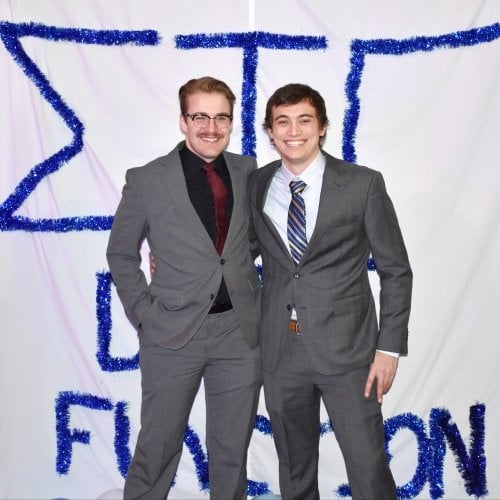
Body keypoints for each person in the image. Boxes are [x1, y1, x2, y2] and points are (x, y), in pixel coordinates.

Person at [247, 83, 412, 500]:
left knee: (368, 469)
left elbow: (396, 271)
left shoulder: (362, 185)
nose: (293, 131)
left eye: (305, 120)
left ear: (322, 127)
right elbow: (240, 252)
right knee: (295, 472)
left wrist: (388, 349)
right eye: (282, 122)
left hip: (350, 354)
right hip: (281, 353)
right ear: (270, 131)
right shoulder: (257, 184)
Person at [107, 76, 262, 499]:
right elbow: (121, 254)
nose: (211, 127)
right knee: (157, 448)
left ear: (231, 122)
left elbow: (250, 242)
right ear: (182, 120)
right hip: (172, 335)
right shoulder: (146, 179)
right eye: (200, 116)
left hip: (239, 334)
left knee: (232, 453)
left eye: (221, 117)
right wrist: (144, 313)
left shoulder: (250, 172)